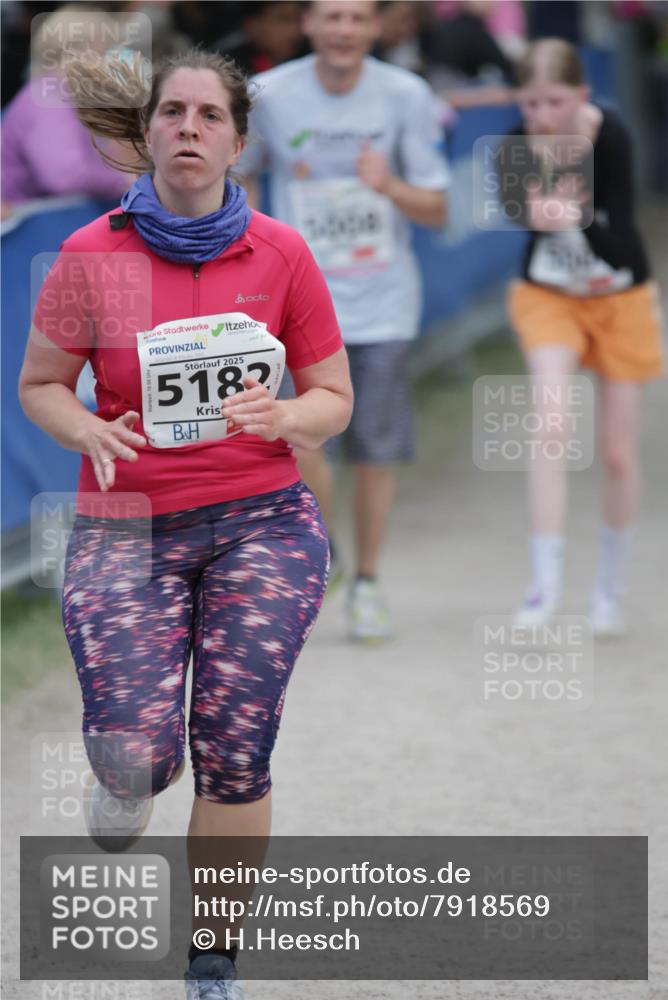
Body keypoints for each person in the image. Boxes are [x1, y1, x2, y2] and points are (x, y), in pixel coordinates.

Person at [18, 48, 352, 998]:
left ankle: (213, 959)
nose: (191, 128)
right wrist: (85, 424)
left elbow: (335, 395)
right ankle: (127, 779)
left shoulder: (281, 253)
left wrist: (289, 416)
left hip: (264, 520)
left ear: (238, 141)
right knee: (141, 750)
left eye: (211, 115)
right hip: (129, 526)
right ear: (149, 134)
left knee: (237, 742)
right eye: (174, 112)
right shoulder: (90, 256)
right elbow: (39, 383)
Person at [238, 0, 449, 642]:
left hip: (381, 302)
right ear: (308, 24)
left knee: (375, 453)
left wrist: (388, 186)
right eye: (331, 16)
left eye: (357, 18)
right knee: (298, 441)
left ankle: (368, 583)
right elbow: (241, 180)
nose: (343, 30)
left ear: (376, 28)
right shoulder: (269, 94)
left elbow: (437, 209)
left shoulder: (406, 95)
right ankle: (327, 558)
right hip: (293, 306)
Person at [500, 39, 664, 634]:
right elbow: (516, 214)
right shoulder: (519, 141)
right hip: (549, 297)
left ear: (582, 97)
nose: (541, 115)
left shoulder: (612, 136)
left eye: (554, 102)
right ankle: (543, 587)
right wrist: (534, 214)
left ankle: (609, 589)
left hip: (620, 295)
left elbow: (625, 240)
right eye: (532, 101)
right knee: (551, 425)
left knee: (618, 452)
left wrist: (576, 218)